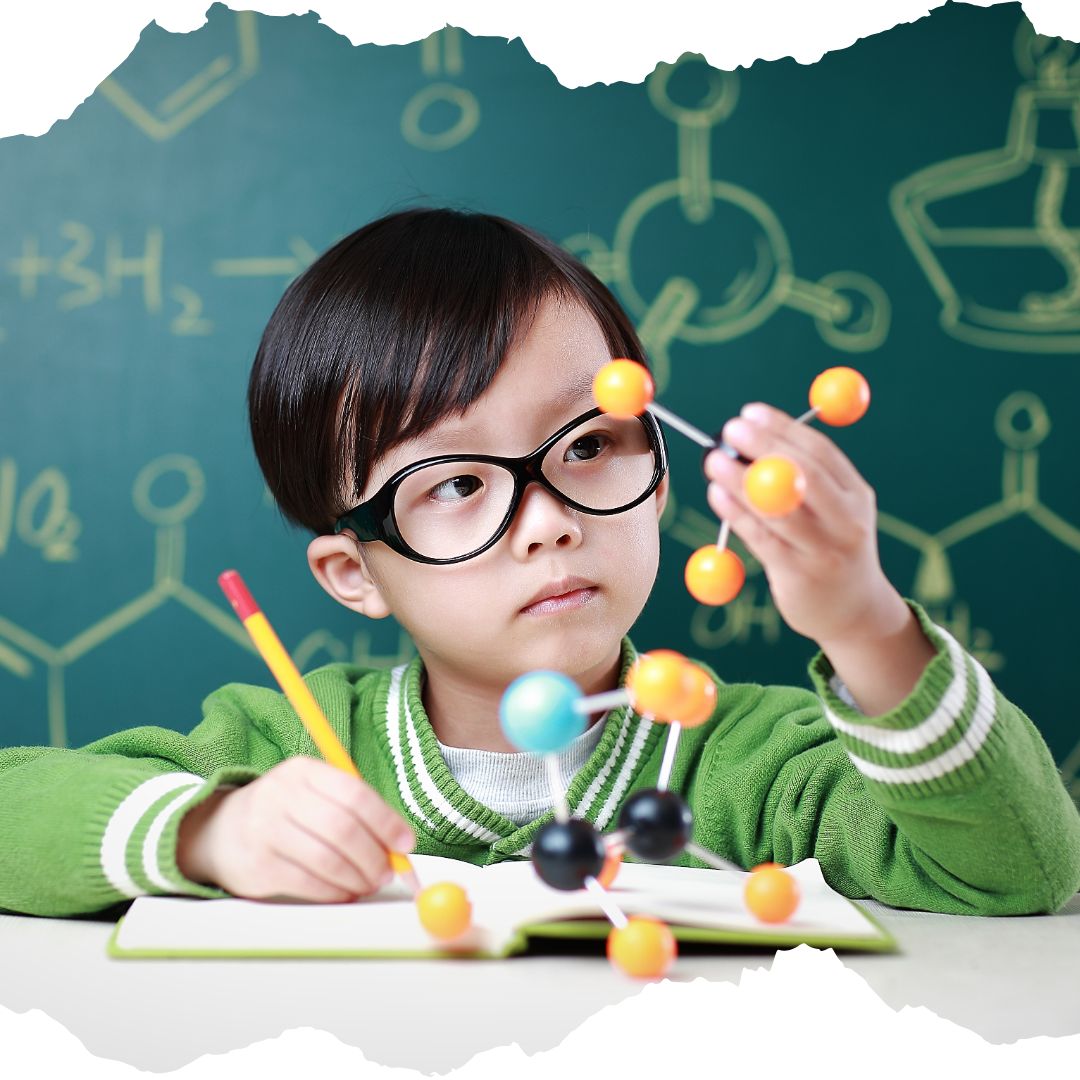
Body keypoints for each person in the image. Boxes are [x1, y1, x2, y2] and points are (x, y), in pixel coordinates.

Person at [2, 208, 1078, 918]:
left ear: (658, 477)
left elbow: (1024, 872)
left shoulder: (751, 760)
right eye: (459, 483)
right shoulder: (284, 744)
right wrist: (210, 830)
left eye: (589, 445)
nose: (549, 521)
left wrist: (863, 621)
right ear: (354, 573)